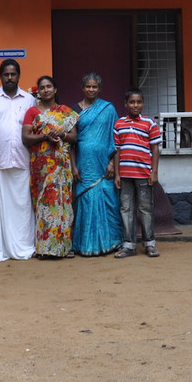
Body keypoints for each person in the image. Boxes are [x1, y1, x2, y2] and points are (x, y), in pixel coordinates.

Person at [0, 59, 36, 261]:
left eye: (13, 74)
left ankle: (25, 244)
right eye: (6, 74)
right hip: (0, 161)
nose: (9, 78)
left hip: (23, 160)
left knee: (23, 206)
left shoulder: (29, 100)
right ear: (0, 76)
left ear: (19, 76)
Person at [21, 75, 79, 258]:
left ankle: (64, 248)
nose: (46, 90)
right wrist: (45, 136)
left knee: (63, 204)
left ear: (55, 90)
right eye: (42, 87)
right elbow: (26, 137)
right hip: (41, 167)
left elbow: (74, 138)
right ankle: (45, 249)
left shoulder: (66, 112)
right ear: (38, 91)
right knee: (44, 205)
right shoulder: (32, 112)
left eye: (49, 86)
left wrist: (62, 134)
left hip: (62, 165)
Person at [71, 73, 121, 256]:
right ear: (82, 88)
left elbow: (115, 138)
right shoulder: (74, 111)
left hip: (104, 163)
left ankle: (111, 242)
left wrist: (112, 163)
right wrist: (74, 167)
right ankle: (85, 245)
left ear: (99, 89)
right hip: (84, 164)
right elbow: (71, 143)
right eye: (88, 86)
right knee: (85, 201)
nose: (91, 89)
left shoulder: (108, 109)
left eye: (94, 87)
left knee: (108, 200)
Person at [113, 88, 162, 259]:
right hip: (125, 175)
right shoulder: (119, 124)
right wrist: (117, 174)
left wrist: (154, 172)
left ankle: (149, 244)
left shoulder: (150, 123)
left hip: (144, 174)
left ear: (143, 103)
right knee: (126, 208)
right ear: (125, 104)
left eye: (139, 102)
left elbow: (155, 149)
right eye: (132, 102)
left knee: (146, 208)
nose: (135, 105)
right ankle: (129, 245)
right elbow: (117, 150)